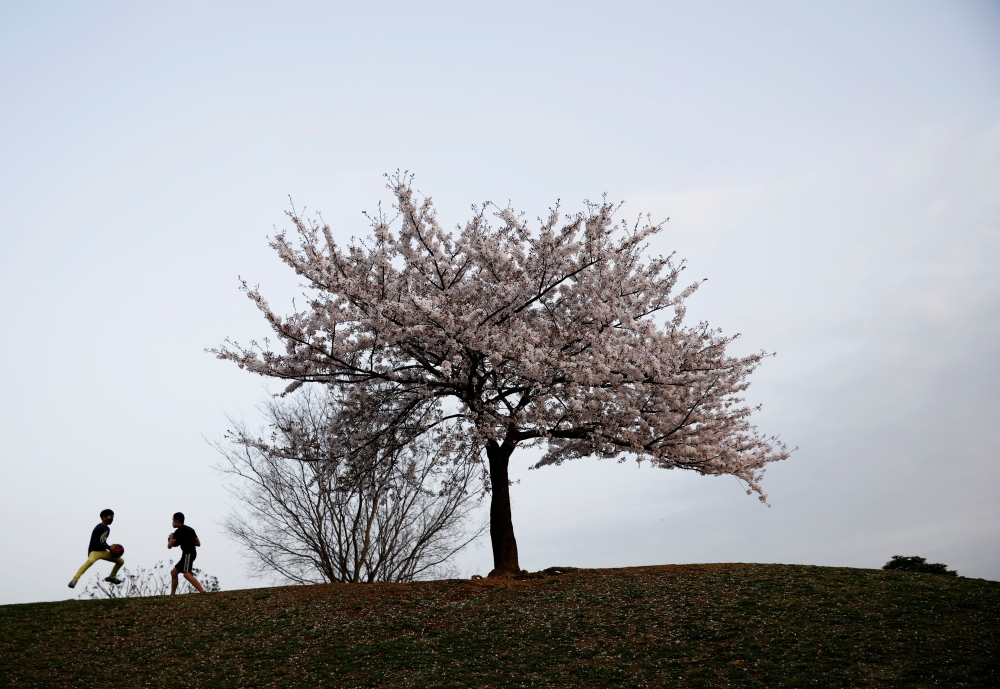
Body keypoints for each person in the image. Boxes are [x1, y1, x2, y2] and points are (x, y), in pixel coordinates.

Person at [68, 508, 123, 588]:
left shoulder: (107, 529)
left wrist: (111, 547)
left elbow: (102, 542)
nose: (112, 519)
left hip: (103, 551)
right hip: (94, 551)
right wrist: (108, 547)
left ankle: (112, 577)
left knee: (121, 561)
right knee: (90, 561)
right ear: (104, 517)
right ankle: (74, 580)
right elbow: (95, 542)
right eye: (110, 517)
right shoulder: (98, 527)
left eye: (113, 517)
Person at [167, 512, 205, 594]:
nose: (173, 522)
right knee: (173, 572)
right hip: (191, 553)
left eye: (173, 520)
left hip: (188, 553)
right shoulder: (190, 529)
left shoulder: (178, 531)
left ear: (177, 521)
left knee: (186, 574)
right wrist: (186, 541)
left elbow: (169, 546)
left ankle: (202, 592)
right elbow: (198, 543)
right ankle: (172, 595)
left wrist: (171, 537)